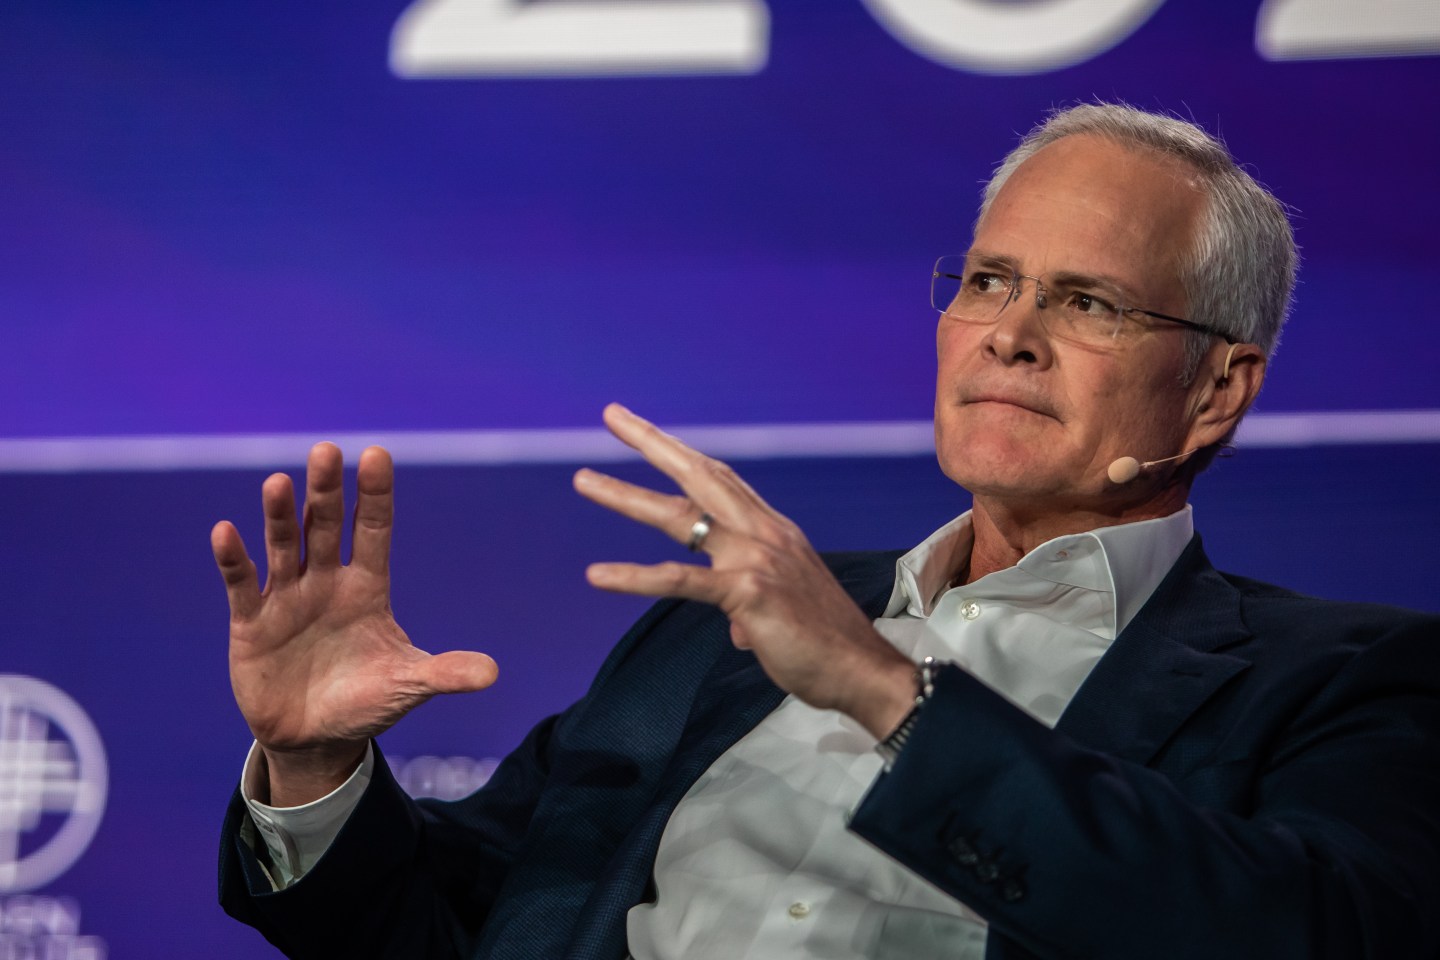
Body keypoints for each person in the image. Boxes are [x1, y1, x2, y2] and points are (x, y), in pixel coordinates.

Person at [214, 104, 1440, 959]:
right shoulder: (720, 635)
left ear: (1217, 388)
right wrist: (317, 774)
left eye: (1088, 302)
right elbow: (456, 927)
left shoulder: (1338, 679)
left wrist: (881, 689)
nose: (1009, 333)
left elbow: (1293, 933)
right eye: (989, 280)